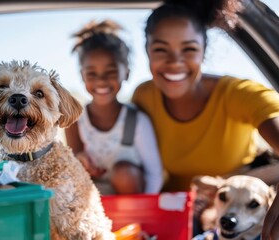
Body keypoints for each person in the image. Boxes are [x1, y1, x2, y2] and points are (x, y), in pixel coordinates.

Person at [132, 0, 279, 235]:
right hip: (172, 213)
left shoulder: (240, 94)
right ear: (147, 50)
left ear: (203, 50)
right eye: (160, 49)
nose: (174, 62)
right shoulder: (144, 95)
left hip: (234, 213)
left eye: (189, 49)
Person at [65, 20, 164, 195]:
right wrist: (81, 161)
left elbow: (154, 174)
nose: (101, 80)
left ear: (126, 72)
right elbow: (73, 167)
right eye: (92, 73)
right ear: (82, 75)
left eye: (110, 72)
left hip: (132, 200)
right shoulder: (76, 121)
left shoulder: (137, 121)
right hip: (96, 199)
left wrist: (147, 207)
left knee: (123, 172)